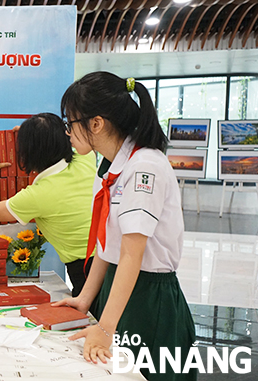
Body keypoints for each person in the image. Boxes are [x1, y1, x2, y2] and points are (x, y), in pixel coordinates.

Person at [53, 72, 195, 380]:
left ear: (96, 123)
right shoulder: (109, 165)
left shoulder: (144, 166)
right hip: (117, 291)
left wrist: (105, 327)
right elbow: (109, 242)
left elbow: (133, 253)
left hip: (148, 298)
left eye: (70, 123)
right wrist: (85, 298)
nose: (67, 132)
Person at [0, 113, 97, 297]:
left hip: (85, 270)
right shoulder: (86, 160)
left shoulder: (39, 194)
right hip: (110, 259)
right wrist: (36, 134)